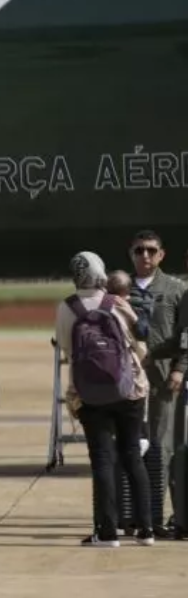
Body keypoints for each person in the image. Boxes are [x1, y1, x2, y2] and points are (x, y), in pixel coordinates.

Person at [56, 252, 154, 547]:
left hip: (90, 393)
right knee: (132, 456)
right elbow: (142, 348)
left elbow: (65, 346)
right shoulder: (117, 303)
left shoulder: (67, 308)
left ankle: (107, 532)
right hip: (129, 390)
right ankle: (146, 530)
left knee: (102, 460)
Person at [127, 229, 185, 538]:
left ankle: (166, 517)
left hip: (165, 382)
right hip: (127, 383)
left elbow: (187, 334)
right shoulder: (118, 291)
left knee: (164, 449)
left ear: (161, 254)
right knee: (132, 448)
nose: (145, 256)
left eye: (151, 250)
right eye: (139, 250)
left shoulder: (176, 290)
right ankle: (136, 515)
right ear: (131, 254)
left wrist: (180, 369)